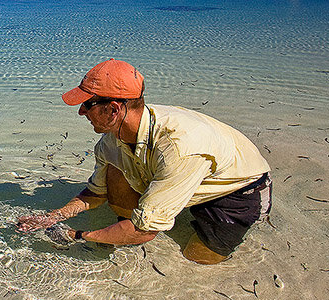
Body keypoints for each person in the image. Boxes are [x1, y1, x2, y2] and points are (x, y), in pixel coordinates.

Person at [17, 59, 272, 264]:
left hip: (236, 190)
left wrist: (75, 235)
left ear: (114, 109)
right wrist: (53, 217)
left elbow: (145, 232)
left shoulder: (179, 148)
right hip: (180, 173)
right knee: (114, 172)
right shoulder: (110, 139)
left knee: (198, 258)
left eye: (88, 104)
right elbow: (96, 192)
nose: (81, 112)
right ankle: (139, 218)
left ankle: (151, 218)